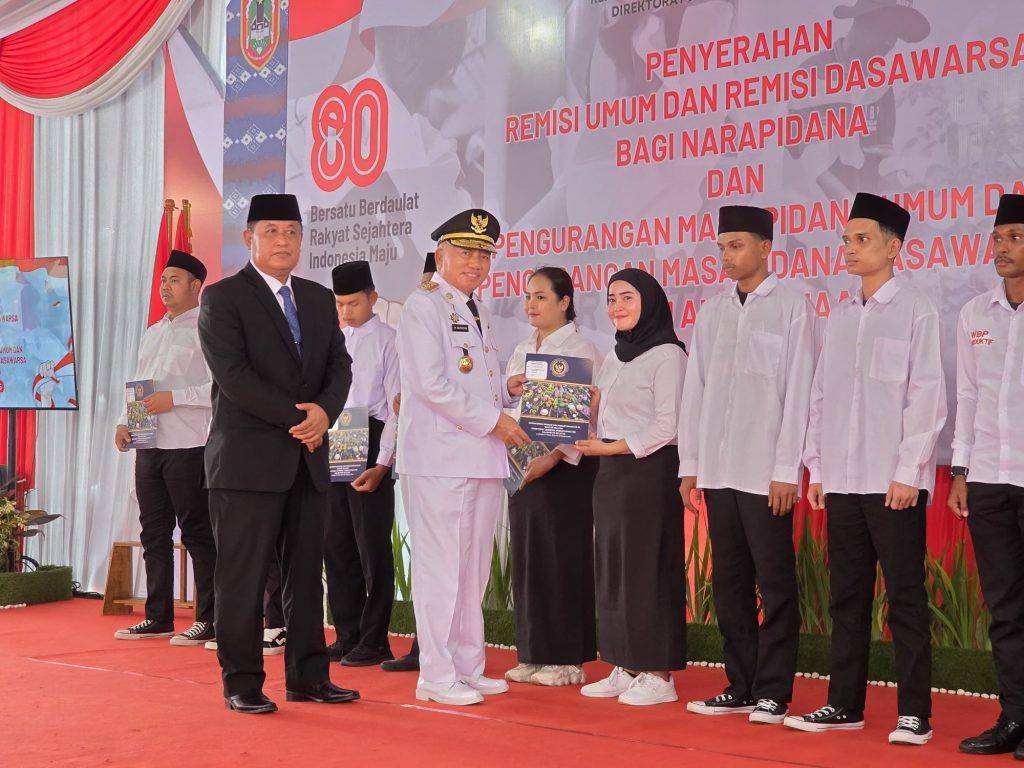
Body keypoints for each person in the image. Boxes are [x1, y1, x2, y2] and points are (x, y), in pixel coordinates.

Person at [786, 192, 946, 745]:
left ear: (893, 246)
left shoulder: (916, 310)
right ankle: (843, 704)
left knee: (904, 597)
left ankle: (914, 713)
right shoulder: (842, 314)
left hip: (892, 482)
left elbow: (927, 397)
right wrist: (819, 469)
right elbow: (822, 397)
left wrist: (909, 471)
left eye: (862, 240)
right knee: (845, 596)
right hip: (845, 482)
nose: (849, 250)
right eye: (846, 240)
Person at [198, 193, 358, 715]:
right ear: (249, 239)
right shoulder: (223, 299)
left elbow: (340, 366)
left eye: (291, 231)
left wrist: (325, 414)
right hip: (245, 464)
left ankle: (308, 677)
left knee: (307, 574)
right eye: (272, 231)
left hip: (308, 459)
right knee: (242, 578)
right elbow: (235, 378)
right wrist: (301, 419)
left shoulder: (315, 297)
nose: (283, 241)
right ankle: (242, 682)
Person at [679, 206, 816, 725]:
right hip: (718, 469)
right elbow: (698, 391)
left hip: (765, 473)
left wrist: (787, 470)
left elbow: (799, 391)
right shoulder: (712, 311)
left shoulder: (793, 307)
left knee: (776, 583)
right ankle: (739, 684)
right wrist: (690, 465)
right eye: (721, 248)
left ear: (765, 247)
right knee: (731, 581)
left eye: (736, 246)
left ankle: (774, 692)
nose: (727, 257)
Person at [395, 209, 530, 706]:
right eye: (466, 252)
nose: (476, 262)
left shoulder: (477, 308)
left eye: (484, 254)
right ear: (442, 255)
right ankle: (435, 673)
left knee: (472, 566)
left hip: (479, 455)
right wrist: (496, 420)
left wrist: (505, 389)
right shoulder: (422, 305)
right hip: (439, 456)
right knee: (441, 568)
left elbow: (471, 380)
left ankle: (467, 664)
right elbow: (431, 385)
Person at [575, 268, 687, 706]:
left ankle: (659, 673)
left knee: (647, 569)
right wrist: (591, 410)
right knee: (614, 569)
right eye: (611, 298)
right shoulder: (614, 355)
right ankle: (626, 663)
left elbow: (668, 424)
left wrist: (612, 447)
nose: (617, 307)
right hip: (611, 473)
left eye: (627, 297)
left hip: (649, 473)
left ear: (650, 303)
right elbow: (601, 417)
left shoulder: (667, 356)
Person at [951, 194, 1024, 757]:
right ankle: (1016, 718)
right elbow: (969, 395)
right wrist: (961, 471)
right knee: (1005, 606)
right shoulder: (975, 313)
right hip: (991, 477)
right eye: (998, 238)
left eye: (1015, 238)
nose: (1002, 248)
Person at [113, 250, 217, 647]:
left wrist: (176, 398)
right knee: (153, 532)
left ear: (195, 286)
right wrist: (123, 421)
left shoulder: (206, 329)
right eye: (162, 281)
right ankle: (158, 616)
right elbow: (140, 382)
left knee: (197, 534)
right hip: (148, 443)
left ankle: (208, 619)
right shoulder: (154, 331)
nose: (165, 288)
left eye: (174, 280)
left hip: (188, 444)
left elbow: (218, 387)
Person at [503, 267, 601, 687]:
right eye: (528, 297)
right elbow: (507, 400)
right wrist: (510, 384)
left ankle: (567, 657)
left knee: (563, 557)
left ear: (564, 302)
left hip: (565, 469)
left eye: (541, 297)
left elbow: (585, 416)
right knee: (528, 558)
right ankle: (533, 652)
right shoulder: (523, 346)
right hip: (522, 465)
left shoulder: (580, 348)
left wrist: (553, 457)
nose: (531, 304)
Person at [325, 260, 400, 667]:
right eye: (339, 304)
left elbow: (395, 409)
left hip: (370, 440)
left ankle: (375, 640)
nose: (346, 312)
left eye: (353, 303)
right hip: (336, 439)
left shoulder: (389, 340)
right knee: (336, 544)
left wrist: (383, 463)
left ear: (373, 298)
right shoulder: (333, 342)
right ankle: (347, 633)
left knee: (372, 546)